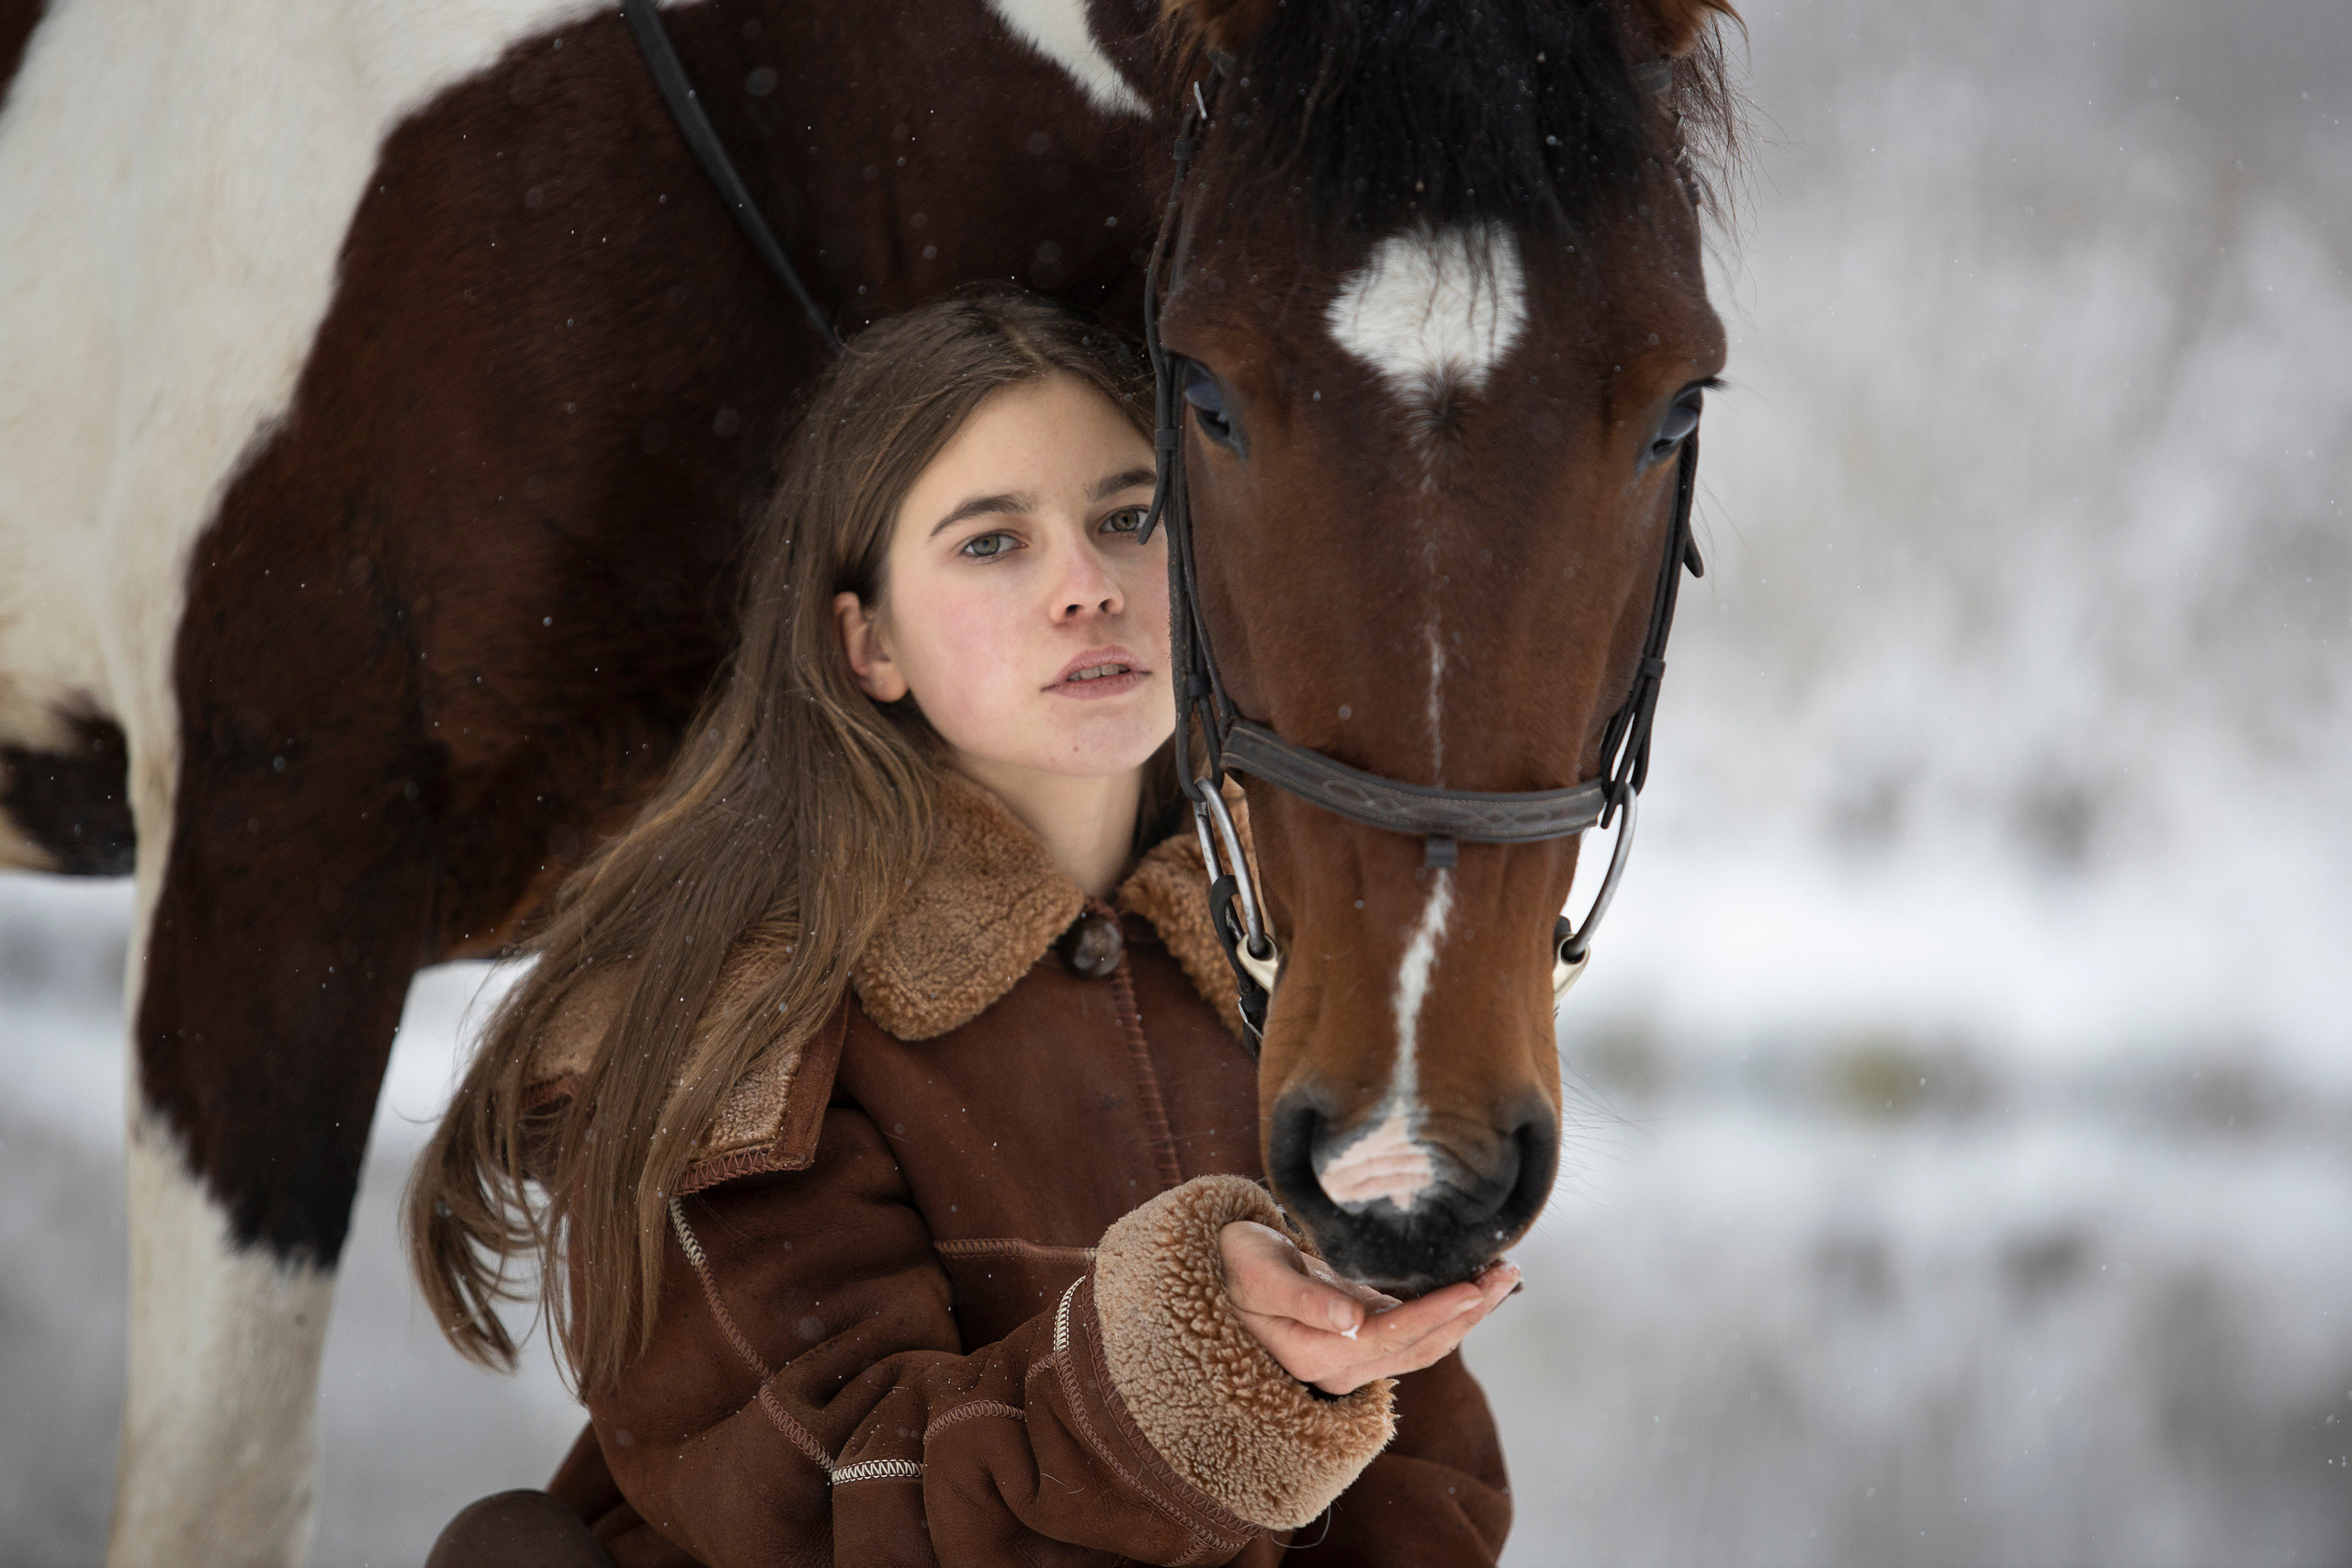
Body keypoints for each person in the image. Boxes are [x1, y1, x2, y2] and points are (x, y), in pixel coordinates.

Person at [407, 288, 1519, 1568]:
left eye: (1130, 517)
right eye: (993, 543)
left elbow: (1427, 1484)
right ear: (866, 641)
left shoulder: (1297, 973)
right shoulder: (733, 1009)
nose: (1087, 588)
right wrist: (1205, 1379)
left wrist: (1349, 1367)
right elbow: (834, 1506)